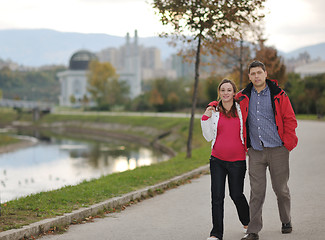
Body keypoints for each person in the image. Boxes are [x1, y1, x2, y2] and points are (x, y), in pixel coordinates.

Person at [237, 60, 298, 240]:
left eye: (259, 73)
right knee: (256, 191)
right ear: (249, 76)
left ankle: (286, 220)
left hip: (278, 149)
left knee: (281, 189)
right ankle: (253, 230)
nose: (256, 76)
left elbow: (290, 119)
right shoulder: (243, 96)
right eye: (253, 73)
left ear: (265, 74)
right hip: (255, 151)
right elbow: (224, 102)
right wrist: (211, 106)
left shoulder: (278, 94)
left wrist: (288, 143)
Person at [201, 79, 250, 240]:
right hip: (217, 160)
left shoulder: (241, 109)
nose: (226, 93)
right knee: (217, 196)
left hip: (238, 161)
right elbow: (208, 137)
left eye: (229, 90)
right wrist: (205, 119)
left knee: (236, 194)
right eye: (223, 90)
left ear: (234, 92)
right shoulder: (214, 111)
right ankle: (216, 233)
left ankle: (248, 223)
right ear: (219, 92)